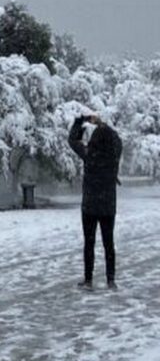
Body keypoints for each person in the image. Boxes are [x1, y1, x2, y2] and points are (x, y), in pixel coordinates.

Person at [68, 114, 122, 290]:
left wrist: (80, 121)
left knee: (89, 243)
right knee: (109, 243)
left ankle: (88, 280)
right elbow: (117, 140)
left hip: (90, 206)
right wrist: (102, 124)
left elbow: (73, 140)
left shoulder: (89, 155)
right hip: (108, 206)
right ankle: (110, 280)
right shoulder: (113, 156)